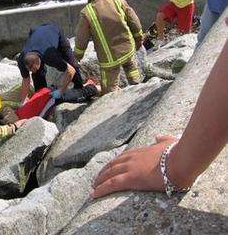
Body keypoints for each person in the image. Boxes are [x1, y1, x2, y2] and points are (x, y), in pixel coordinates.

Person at [91, 35, 228, 199]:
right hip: (126, 49)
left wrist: (178, 166)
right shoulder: (120, 7)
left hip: (110, 56)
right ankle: (135, 83)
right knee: (131, 69)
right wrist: (137, 38)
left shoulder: (88, 13)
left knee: (112, 79)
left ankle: (118, 89)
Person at [74, 0, 144, 95]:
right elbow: (134, 22)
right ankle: (139, 92)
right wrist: (139, 39)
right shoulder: (119, 2)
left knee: (109, 91)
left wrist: (77, 55)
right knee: (133, 73)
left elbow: (81, 38)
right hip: (128, 49)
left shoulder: (87, 12)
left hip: (109, 58)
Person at [17, 23, 86, 103]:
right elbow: (26, 79)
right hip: (37, 33)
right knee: (37, 74)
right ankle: (40, 94)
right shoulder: (22, 60)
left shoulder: (50, 56)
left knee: (72, 63)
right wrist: (23, 100)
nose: (32, 71)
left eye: (34, 68)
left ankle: (79, 87)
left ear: (38, 61)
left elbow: (71, 70)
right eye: (30, 70)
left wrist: (61, 91)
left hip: (53, 31)